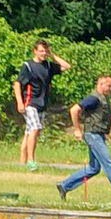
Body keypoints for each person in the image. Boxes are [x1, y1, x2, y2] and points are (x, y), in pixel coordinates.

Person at [57, 75, 111, 204]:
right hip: (93, 135)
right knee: (109, 165)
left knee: (94, 168)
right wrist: (77, 129)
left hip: (98, 135)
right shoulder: (93, 99)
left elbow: (102, 116)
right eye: (109, 86)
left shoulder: (103, 99)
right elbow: (74, 110)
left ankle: (64, 185)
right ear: (100, 84)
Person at [14, 39, 71, 172]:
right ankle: (31, 161)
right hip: (30, 103)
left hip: (42, 104)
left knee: (30, 132)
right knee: (35, 128)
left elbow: (67, 66)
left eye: (45, 51)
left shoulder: (49, 66)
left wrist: (52, 55)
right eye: (41, 51)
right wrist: (19, 102)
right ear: (35, 51)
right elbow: (17, 84)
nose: (43, 53)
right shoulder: (28, 66)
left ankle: (22, 162)